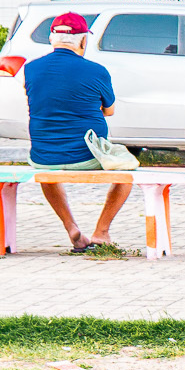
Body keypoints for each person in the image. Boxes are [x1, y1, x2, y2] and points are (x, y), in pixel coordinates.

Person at [21, 13, 131, 252]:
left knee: (48, 172)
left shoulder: (30, 69)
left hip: (43, 157)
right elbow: (109, 110)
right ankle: (101, 232)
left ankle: (70, 226)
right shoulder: (96, 70)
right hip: (87, 157)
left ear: (52, 39)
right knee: (126, 172)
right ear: (83, 41)